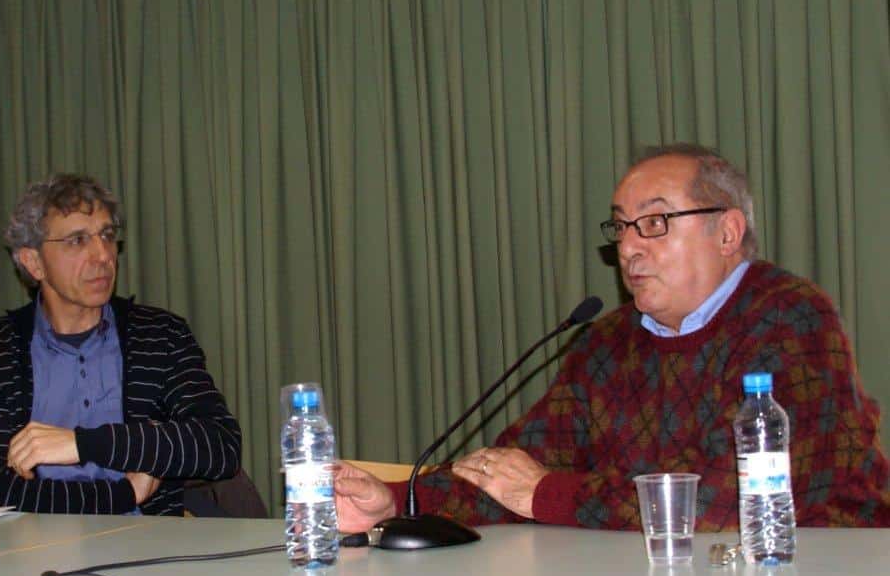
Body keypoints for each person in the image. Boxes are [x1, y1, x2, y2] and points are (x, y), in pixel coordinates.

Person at [336, 143, 890, 533]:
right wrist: (394, 501)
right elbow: (515, 468)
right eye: (621, 226)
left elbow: (733, 500)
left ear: (727, 232)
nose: (628, 247)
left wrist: (546, 493)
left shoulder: (790, 317)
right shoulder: (609, 342)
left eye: (654, 223)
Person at [0, 172, 241, 514]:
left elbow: (220, 446)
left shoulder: (160, 336)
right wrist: (123, 493)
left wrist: (82, 444)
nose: (102, 255)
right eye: (77, 240)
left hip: (149, 541)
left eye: (106, 235)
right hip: (35, 544)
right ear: (34, 263)